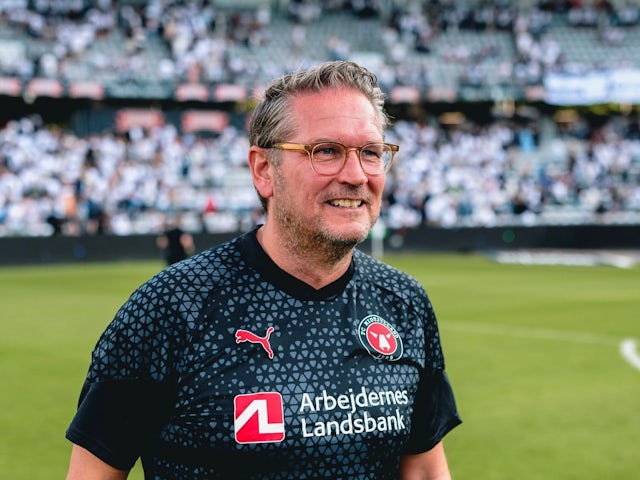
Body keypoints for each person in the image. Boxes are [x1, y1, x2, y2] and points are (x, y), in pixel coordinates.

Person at [65, 60, 461, 480]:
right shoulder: (171, 308)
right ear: (263, 170)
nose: (355, 174)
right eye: (325, 151)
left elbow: (423, 469)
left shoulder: (404, 304)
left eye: (370, 152)